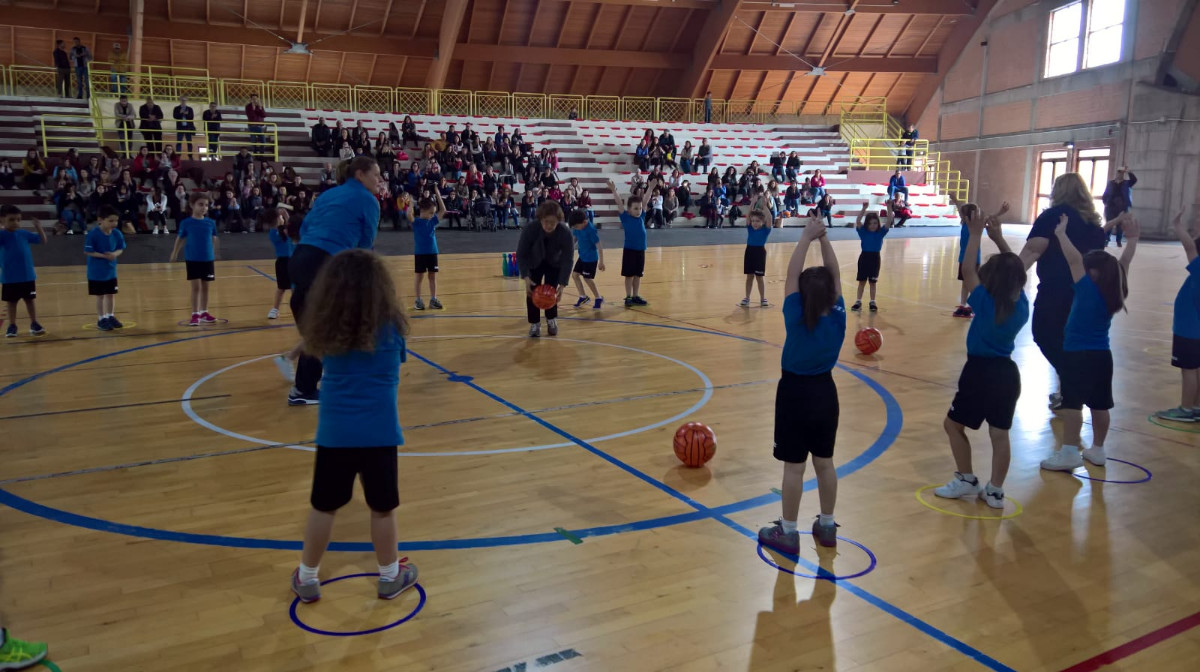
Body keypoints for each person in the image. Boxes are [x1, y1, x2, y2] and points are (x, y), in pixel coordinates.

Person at [289, 249, 418, 605]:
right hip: (380, 434)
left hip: (336, 435)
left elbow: (321, 344)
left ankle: (307, 577)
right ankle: (390, 576)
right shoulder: (393, 331)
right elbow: (390, 356)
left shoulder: (327, 332)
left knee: (323, 507)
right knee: (382, 508)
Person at [757, 216, 844, 554]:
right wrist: (822, 238)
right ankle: (827, 525)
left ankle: (789, 532)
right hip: (825, 393)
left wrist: (806, 237)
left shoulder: (795, 315)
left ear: (801, 295)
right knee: (825, 462)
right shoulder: (838, 315)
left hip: (794, 394)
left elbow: (792, 274)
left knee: (794, 467)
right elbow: (835, 274)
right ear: (831, 294)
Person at [934, 209, 1026, 508]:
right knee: (1000, 434)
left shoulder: (985, 302)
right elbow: (1015, 270)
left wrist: (975, 235)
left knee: (953, 425)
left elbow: (968, 269)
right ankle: (995, 490)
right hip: (1007, 375)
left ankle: (966, 478)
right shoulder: (1022, 305)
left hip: (979, 373)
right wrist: (998, 239)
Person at [1040, 213, 1139, 472]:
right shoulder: (1114, 290)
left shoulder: (1086, 290)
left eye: (1087, 267)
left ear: (1093, 272)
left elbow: (1073, 258)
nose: (1082, 268)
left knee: (1072, 403)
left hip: (1077, 355)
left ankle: (1069, 452)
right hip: (1102, 356)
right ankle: (1098, 449)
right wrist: (1132, 240)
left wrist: (1061, 233)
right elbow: (1124, 263)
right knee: (1100, 404)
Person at [288, 156, 382, 406]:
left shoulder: (328, 195)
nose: (379, 180)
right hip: (326, 263)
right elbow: (366, 245)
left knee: (317, 326)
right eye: (376, 174)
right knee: (340, 324)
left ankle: (304, 388)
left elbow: (305, 228)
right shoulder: (368, 200)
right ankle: (340, 381)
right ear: (360, 175)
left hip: (299, 259)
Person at [1017, 174, 1107, 410]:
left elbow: (1032, 251)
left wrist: (1008, 278)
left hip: (1055, 290)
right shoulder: (1094, 225)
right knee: (1070, 340)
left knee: (1045, 334)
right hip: (1086, 293)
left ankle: (1073, 381)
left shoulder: (1052, 217)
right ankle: (1067, 391)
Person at [1156, 212, 1200, 422]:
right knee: (1197, 368)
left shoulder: (1199, 270)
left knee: (1188, 369)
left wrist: (1177, 225)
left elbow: (1190, 247)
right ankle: (1197, 406)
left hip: (1188, 329)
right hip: (1195, 330)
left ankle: (1186, 409)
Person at [517, 201, 574, 337]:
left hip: (554, 263)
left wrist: (563, 284)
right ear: (540, 219)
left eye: (552, 222)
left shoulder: (565, 232)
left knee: (551, 292)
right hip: (534, 262)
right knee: (532, 292)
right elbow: (522, 254)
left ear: (558, 221)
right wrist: (526, 276)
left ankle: (551, 319)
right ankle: (535, 323)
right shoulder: (530, 229)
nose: (548, 225)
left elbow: (567, 259)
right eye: (545, 222)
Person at [952, 197, 1010, 318]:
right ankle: (966, 305)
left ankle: (964, 304)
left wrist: (955, 199)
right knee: (970, 282)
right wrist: (1001, 212)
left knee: (966, 283)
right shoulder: (972, 224)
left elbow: (988, 217)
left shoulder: (967, 224)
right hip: (973, 258)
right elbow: (990, 217)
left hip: (965, 259)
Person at [169, 193, 220, 327]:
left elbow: (214, 238)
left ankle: (204, 312)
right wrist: (174, 253)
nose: (204, 208)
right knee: (196, 287)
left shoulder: (210, 223)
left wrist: (214, 253)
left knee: (206, 287)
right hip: (193, 259)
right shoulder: (186, 223)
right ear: (192, 205)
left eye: (206, 205)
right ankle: (195, 314)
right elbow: (180, 239)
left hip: (207, 259)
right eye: (200, 204)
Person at [0, 205, 47, 338]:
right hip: (9, 277)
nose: (16, 223)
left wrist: (38, 227)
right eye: (11, 220)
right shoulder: (1, 235)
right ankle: (12, 325)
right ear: (2, 220)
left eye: (18, 220)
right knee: (12, 302)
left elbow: (43, 240)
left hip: (27, 276)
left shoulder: (24, 233)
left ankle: (34, 323)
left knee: (30, 300)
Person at [84, 205, 126, 331]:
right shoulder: (93, 234)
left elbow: (120, 248)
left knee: (111, 294)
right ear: (100, 220)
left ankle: (110, 316)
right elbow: (88, 251)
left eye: (116, 221)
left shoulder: (117, 233)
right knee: (100, 296)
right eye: (111, 221)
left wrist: (114, 254)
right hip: (96, 272)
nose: (114, 223)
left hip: (111, 271)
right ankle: (101, 318)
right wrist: (104, 256)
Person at [607, 179, 648, 307]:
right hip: (630, 251)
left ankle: (635, 296)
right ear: (629, 210)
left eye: (640, 208)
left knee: (638, 275)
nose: (639, 210)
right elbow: (619, 203)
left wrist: (651, 188)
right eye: (635, 208)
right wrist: (614, 190)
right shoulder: (625, 218)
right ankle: (628, 296)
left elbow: (645, 201)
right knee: (629, 276)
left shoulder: (642, 217)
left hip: (641, 250)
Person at [851, 203, 893, 312]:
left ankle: (872, 301)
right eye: (870, 223)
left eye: (875, 223)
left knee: (873, 282)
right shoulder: (863, 232)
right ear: (867, 224)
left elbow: (889, 220)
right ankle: (858, 301)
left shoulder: (880, 233)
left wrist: (889, 207)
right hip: (864, 258)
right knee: (862, 281)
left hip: (875, 259)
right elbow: (858, 221)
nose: (873, 225)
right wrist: (864, 208)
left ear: (878, 223)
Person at [412, 192, 446, 311]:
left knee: (432, 276)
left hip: (432, 252)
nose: (433, 215)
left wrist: (438, 194)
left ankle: (433, 299)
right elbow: (409, 214)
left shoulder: (432, 221)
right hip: (420, 253)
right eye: (431, 212)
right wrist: (410, 204)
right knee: (419, 277)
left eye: (433, 213)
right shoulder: (416, 222)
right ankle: (418, 300)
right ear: (423, 210)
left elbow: (443, 210)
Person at [569, 209, 604, 310]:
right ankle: (583, 297)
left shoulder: (591, 230)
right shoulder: (578, 227)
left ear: (584, 222)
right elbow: (575, 238)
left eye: (576, 227)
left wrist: (601, 262)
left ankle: (598, 298)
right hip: (582, 256)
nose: (575, 229)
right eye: (574, 227)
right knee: (575, 275)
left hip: (590, 259)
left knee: (587, 278)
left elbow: (599, 246)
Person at [740, 209, 771, 308]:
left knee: (759, 277)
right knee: (749, 277)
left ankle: (763, 298)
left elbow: (769, 217)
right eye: (753, 221)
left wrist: (765, 206)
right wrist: (752, 202)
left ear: (763, 221)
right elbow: (748, 214)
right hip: (749, 252)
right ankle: (747, 298)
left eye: (757, 221)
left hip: (760, 253)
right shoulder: (750, 229)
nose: (755, 223)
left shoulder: (766, 230)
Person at [1101, 166, 1136, 247]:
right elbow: (1106, 193)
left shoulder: (1127, 183)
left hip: (1122, 206)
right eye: (1119, 172)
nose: (1120, 174)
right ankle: (1106, 239)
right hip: (1111, 206)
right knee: (1109, 223)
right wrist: (1105, 202)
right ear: (1116, 173)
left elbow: (1134, 180)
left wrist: (1129, 172)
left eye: (1122, 173)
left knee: (1120, 225)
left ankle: (1118, 240)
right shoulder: (1110, 183)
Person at [245, 94, 268, 158]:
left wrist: (260, 108)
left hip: (260, 126)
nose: (255, 100)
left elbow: (264, 115)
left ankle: (261, 154)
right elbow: (251, 116)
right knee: (253, 141)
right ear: (250, 99)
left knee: (263, 141)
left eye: (256, 98)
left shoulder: (260, 106)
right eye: (253, 99)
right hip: (252, 126)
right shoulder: (248, 106)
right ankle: (255, 154)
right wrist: (253, 108)